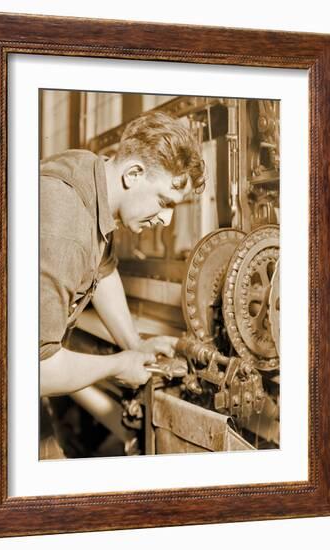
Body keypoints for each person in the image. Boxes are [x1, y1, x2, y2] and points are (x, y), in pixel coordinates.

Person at [39, 111, 205, 399]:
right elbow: (35, 370)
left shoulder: (92, 175)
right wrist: (118, 365)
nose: (166, 221)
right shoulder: (66, 227)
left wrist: (134, 344)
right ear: (133, 174)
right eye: (164, 202)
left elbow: (101, 270)